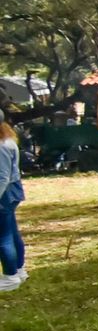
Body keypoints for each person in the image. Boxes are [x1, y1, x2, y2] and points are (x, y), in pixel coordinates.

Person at [0, 109, 26, 293]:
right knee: (12, 233)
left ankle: (10, 277)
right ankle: (19, 270)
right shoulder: (8, 140)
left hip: (4, 192)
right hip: (12, 190)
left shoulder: (1, 145)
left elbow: (3, 177)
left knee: (3, 237)